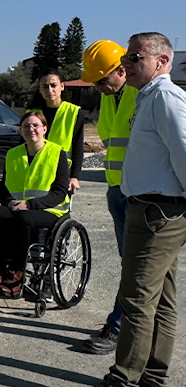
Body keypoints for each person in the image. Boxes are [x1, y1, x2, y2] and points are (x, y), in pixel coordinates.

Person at [76, 32, 186, 387]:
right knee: (162, 297)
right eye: (128, 57)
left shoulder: (166, 98)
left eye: (136, 57)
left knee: (137, 297)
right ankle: (154, 378)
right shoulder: (148, 98)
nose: (128, 64)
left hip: (158, 212)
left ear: (162, 61)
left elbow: (188, 156)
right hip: (146, 205)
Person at [78, 40, 139, 355]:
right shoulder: (111, 99)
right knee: (128, 264)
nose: (98, 87)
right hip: (116, 191)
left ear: (121, 70)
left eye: (102, 80)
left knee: (135, 269)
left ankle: (117, 327)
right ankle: (126, 324)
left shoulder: (143, 96)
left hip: (139, 196)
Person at [0, 111, 70, 297]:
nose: (31, 129)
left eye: (36, 125)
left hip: (50, 211)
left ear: (44, 129)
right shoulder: (13, 154)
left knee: (23, 218)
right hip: (18, 209)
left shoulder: (56, 153)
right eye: (26, 126)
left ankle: (16, 276)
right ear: (21, 131)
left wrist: (30, 205)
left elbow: (60, 192)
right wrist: (8, 202)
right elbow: (4, 189)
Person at [27, 69, 84, 194]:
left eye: (53, 85)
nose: (49, 90)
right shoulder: (32, 113)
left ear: (62, 86)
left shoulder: (73, 112)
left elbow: (78, 148)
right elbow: (23, 145)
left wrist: (75, 177)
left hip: (62, 172)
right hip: (36, 170)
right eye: (45, 87)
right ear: (40, 90)